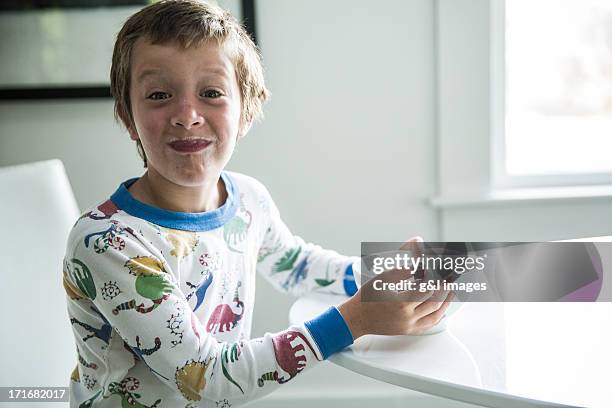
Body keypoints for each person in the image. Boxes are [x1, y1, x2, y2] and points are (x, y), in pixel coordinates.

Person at [62, 1, 452, 406]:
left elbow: (297, 266)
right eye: (159, 95)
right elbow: (206, 379)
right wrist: (355, 320)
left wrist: (386, 275)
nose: (187, 114)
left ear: (247, 112)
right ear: (128, 117)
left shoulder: (247, 199)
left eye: (211, 92)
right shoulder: (107, 242)